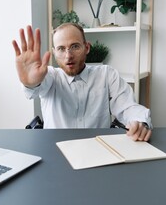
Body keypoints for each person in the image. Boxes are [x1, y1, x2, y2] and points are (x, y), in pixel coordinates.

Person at [12, 23, 152, 141]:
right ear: (54, 53)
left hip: (99, 150)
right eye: (61, 49)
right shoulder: (50, 76)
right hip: (56, 150)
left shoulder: (106, 74)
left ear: (87, 48)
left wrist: (139, 122)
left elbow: (128, 107)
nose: (68, 56)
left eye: (75, 46)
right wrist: (30, 83)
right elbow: (34, 89)